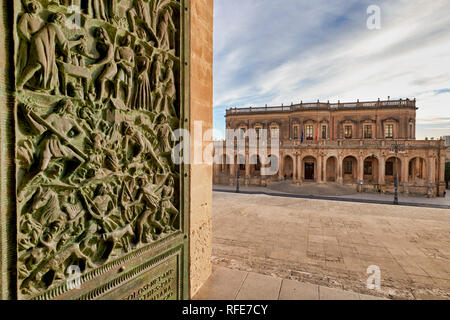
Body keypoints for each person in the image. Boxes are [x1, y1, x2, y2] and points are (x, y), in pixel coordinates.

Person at [17, 12, 69, 93]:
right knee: (37, 64)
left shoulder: (51, 25)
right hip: (39, 43)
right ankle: (19, 84)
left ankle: (42, 87)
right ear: (59, 20)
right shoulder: (54, 26)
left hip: (43, 45)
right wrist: (79, 42)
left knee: (53, 68)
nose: (65, 22)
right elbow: (64, 44)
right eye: (64, 20)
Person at [17, 1, 44, 75]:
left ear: (39, 8)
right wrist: (29, 38)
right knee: (24, 60)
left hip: (37, 45)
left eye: (37, 6)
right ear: (30, 7)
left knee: (36, 62)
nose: (35, 7)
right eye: (33, 6)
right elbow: (21, 28)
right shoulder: (27, 16)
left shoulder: (41, 21)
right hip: (27, 42)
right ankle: (20, 76)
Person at [114, 35, 135, 106]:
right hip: (122, 67)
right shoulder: (119, 48)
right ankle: (116, 98)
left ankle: (126, 104)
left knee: (128, 87)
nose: (128, 41)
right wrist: (124, 67)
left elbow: (133, 64)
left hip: (129, 69)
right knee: (117, 80)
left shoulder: (131, 51)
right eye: (126, 39)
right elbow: (116, 59)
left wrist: (125, 62)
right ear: (123, 40)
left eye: (129, 40)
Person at [132, 44, 151, 110]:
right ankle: (135, 105)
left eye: (140, 48)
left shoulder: (146, 59)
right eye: (137, 49)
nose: (138, 50)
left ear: (143, 50)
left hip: (144, 75)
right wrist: (137, 74)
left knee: (143, 90)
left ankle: (143, 106)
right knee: (137, 90)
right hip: (137, 75)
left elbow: (146, 68)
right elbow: (135, 67)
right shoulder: (136, 58)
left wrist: (140, 74)